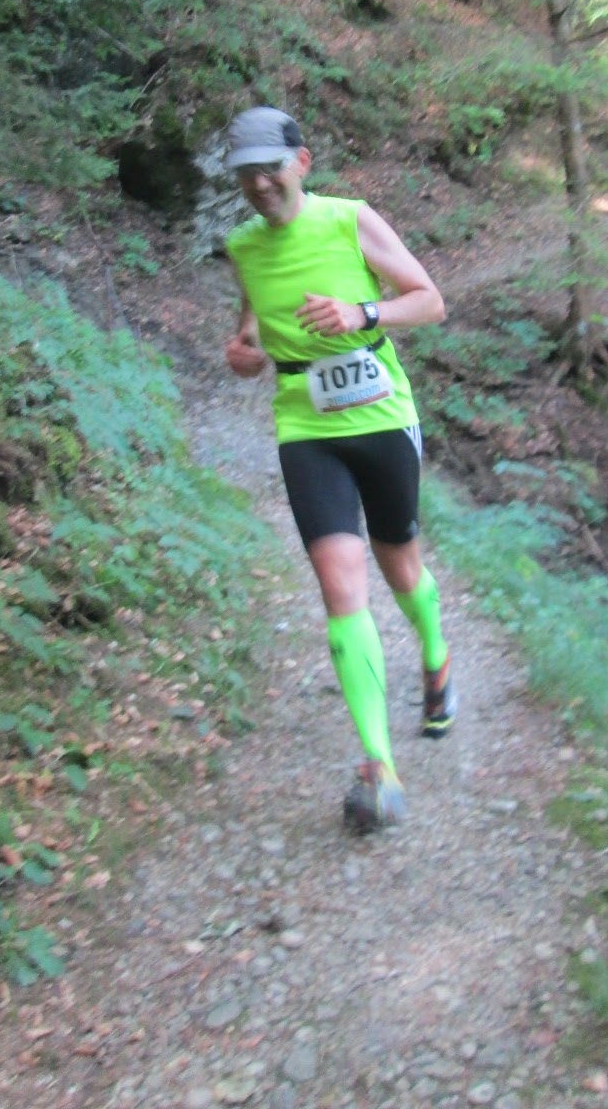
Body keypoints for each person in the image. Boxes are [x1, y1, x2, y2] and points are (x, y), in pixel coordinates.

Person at [222, 105, 457, 832]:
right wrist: (246, 351)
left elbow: (430, 302)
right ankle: (379, 765)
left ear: (302, 162)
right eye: (245, 173)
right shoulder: (242, 246)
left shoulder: (351, 220)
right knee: (339, 580)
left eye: (270, 167)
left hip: (381, 416)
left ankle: (436, 651)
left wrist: (363, 314)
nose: (259, 183)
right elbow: (252, 324)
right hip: (305, 425)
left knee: (400, 568)